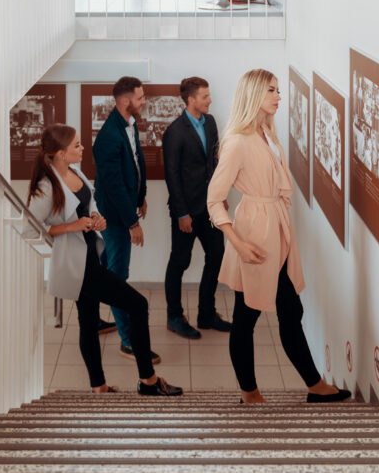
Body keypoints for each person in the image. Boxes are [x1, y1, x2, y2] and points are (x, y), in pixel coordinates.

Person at [207, 69, 351, 404]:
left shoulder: (267, 134)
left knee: (290, 309)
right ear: (254, 94)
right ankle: (250, 392)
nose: (278, 97)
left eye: (278, 90)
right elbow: (214, 199)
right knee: (247, 315)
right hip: (256, 234)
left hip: (278, 230)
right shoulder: (237, 142)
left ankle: (315, 385)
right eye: (271, 91)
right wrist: (238, 243)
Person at [26, 124, 181, 396]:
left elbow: (90, 202)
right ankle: (148, 381)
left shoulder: (74, 171)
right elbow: (29, 230)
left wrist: (97, 218)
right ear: (60, 153)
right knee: (138, 305)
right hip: (79, 268)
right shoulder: (45, 187)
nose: (82, 148)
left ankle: (99, 387)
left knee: (88, 322)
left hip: (90, 257)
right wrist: (73, 226)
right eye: (76, 145)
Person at [93, 76, 160, 364]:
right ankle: (128, 340)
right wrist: (132, 223)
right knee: (117, 278)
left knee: (103, 270)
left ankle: (92, 319)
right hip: (115, 218)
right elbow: (114, 186)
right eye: (140, 98)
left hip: (124, 210)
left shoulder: (129, 125)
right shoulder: (108, 137)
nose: (144, 102)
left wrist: (141, 196)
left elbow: (134, 163)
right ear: (125, 101)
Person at [161, 77, 230, 339]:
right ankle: (174, 317)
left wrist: (220, 195)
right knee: (180, 262)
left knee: (217, 255)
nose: (210, 100)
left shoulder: (210, 122)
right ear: (191, 100)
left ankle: (206, 314)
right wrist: (182, 214)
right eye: (205, 96)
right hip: (187, 210)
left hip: (210, 206)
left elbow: (214, 162)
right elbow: (172, 176)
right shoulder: (175, 132)